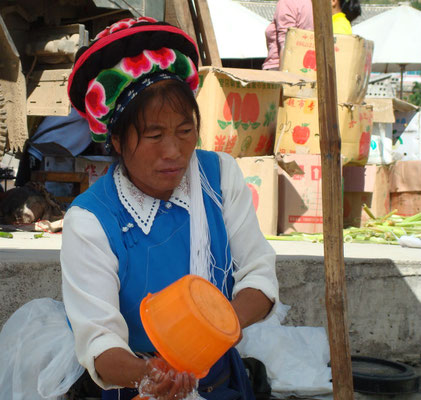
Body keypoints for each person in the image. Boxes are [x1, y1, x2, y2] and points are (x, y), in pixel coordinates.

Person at [62, 16, 279, 400]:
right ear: (115, 138)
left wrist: (212, 331)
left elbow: (259, 274)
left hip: (223, 384)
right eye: (154, 135)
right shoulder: (91, 221)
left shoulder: (220, 177)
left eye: (184, 131)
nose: (174, 152)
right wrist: (151, 375)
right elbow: (99, 341)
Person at [262, 0, 313, 71]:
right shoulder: (310, 4)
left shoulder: (286, 2)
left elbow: (286, 44)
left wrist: (285, 78)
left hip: (278, 69)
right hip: (304, 68)